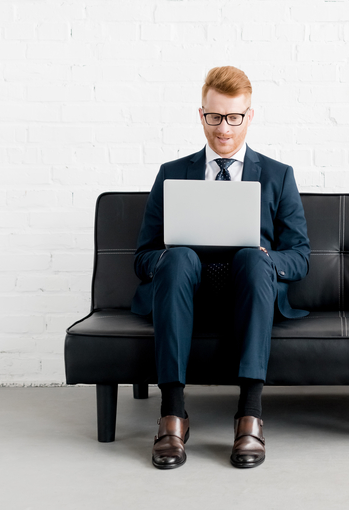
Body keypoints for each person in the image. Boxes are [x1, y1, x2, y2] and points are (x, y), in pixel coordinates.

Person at [131, 66, 310, 470]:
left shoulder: (279, 176)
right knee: (175, 256)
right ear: (201, 114)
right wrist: (166, 257)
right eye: (214, 117)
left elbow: (299, 256)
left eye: (234, 117)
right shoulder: (171, 174)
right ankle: (173, 415)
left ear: (249, 116)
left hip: (250, 292)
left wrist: (268, 260)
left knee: (252, 255)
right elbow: (142, 257)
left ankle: (250, 414)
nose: (223, 129)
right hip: (185, 291)